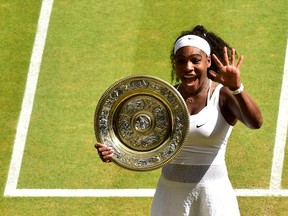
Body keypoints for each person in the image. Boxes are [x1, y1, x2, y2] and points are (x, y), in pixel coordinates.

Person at [95, 25, 263, 216]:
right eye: (181, 61)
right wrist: (113, 150)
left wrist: (237, 88)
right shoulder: (164, 99)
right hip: (170, 197)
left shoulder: (222, 94)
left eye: (195, 60)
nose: (188, 67)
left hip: (213, 196)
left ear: (208, 61)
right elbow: (140, 140)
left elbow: (255, 122)